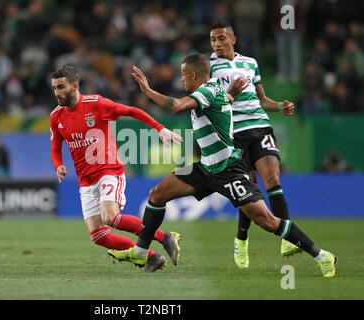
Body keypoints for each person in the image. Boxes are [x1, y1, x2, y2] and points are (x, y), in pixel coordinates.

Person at [108, 53, 336, 278]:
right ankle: (140, 251)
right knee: (157, 195)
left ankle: (321, 255)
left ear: (194, 74)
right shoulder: (214, 89)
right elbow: (223, 100)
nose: (181, 80)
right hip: (206, 167)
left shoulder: (205, 91)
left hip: (228, 169)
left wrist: (148, 91)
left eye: (183, 76)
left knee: (267, 221)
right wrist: (231, 93)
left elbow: (177, 106)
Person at [49, 65, 183, 272]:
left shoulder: (97, 104)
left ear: (75, 86)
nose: (57, 93)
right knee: (99, 236)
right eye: (54, 88)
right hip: (86, 181)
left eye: (61, 87)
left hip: (108, 172)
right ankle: (152, 257)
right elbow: (55, 148)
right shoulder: (56, 116)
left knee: (110, 217)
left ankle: (164, 236)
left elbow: (132, 111)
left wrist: (160, 129)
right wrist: (58, 166)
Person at [209, 19, 301, 269]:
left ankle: (288, 238)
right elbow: (209, 102)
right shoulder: (208, 67)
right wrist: (230, 92)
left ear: (233, 39)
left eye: (221, 38)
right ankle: (241, 239)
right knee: (249, 190)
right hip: (233, 133)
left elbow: (262, 99)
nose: (217, 44)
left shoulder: (250, 63)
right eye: (213, 40)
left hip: (260, 127)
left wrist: (280, 106)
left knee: (273, 180)